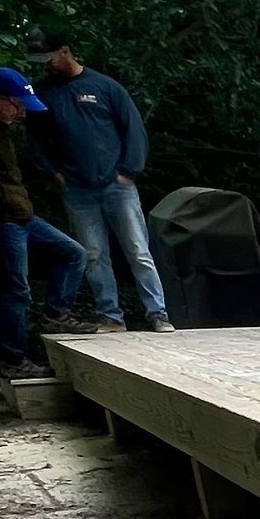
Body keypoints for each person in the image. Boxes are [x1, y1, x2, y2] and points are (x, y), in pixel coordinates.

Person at [26, 31, 175, 332]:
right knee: (93, 255)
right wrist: (52, 171)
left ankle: (157, 313)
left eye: (49, 58)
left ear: (65, 52)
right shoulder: (43, 93)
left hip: (117, 184)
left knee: (137, 250)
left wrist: (129, 170)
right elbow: (35, 139)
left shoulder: (105, 86)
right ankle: (110, 315)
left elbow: (133, 128)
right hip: (77, 188)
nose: (46, 65)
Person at [0, 68, 88, 378]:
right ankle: (13, 362)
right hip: (0, 219)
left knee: (73, 253)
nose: (19, 114)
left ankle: (56, 315)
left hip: (21, 214)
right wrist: (2, 200)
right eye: (16, 105)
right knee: (16, 289)